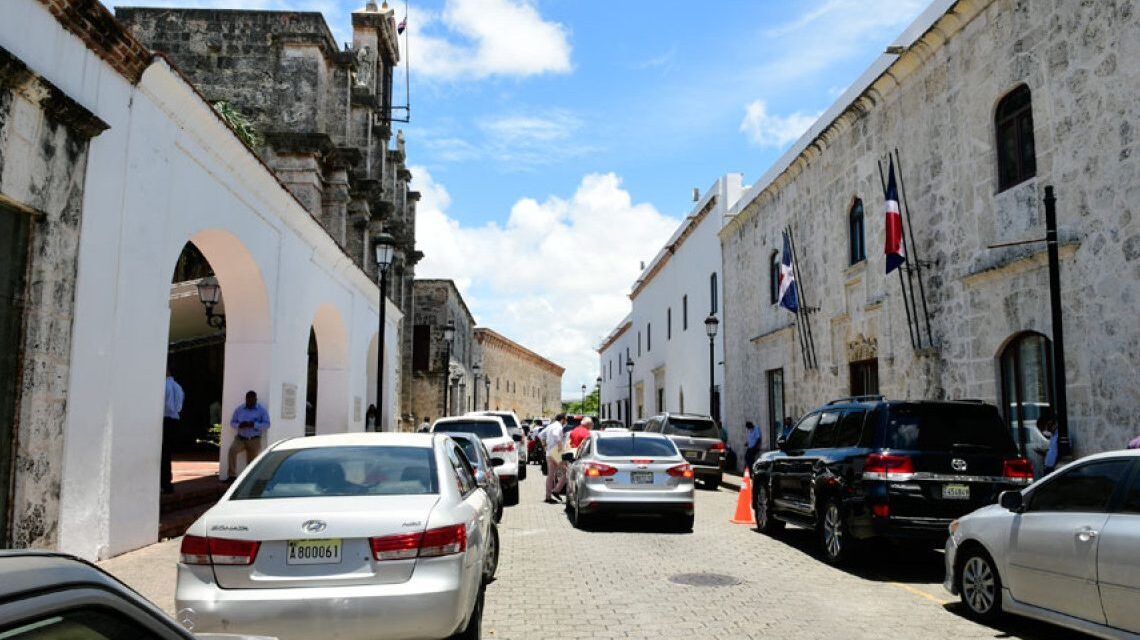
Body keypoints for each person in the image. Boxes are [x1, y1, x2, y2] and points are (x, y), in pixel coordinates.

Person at [223, 390, 270, 482]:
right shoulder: (239, 409)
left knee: (251, 462)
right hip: (240, 438)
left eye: (252, 400)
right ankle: (232, 476)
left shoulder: (262, 410)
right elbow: (232, 422)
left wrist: (253, 424)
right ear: (245, 399)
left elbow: (267, 424)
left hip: (254, 439)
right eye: (248, 400)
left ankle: (248, 480)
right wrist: (239, 425)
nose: (249, 402)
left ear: (256, 400)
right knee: (232, 450)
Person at [161, 369, 185, 494]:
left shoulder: (163, 385)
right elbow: (179, 406)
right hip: (175, 420)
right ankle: (167, 483)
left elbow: (163, 404)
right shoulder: (178, 387)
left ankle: (165, 482)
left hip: (165, 419)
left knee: (163, 453)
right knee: (167, 452)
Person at [543, 413, 566, 503]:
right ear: (562, 419)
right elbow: (556, 435)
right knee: (567, 472)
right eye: (565, 419)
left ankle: (548, 496)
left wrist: (545, 446)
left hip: (549, 452)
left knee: (550, 475)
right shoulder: (558, 426)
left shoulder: (550, 426)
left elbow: (541, 435)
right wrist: (560, 448)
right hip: (556, 451)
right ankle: (556, 490)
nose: (566, 422)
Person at [1034, 408, 1060, 476]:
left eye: (1043, 428)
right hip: (1048, 467)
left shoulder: (1059, 436)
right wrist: (1043, 452)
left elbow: (1059, 453)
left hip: (1053, 469)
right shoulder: (1053, 435)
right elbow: (1052, 451)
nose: (1044, 431)